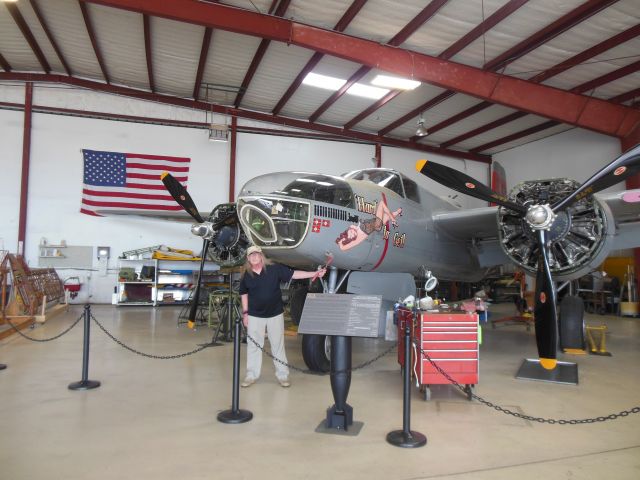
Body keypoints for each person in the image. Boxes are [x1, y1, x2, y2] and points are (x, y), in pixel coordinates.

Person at [239, 245, 326, 388]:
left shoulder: (274, 269)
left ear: (261, 256)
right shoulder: (246, 275)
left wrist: (313, 274)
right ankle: (251, 375)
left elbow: (293, 274)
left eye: (256, 254)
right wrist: (246, 313)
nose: (254, 257)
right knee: (253, 346)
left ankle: (283, 375)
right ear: (248, 259)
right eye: (251, 255)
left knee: (277, 345)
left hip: (275, 314)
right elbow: (244, 294)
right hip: (255, 315)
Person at [335, 198, 402, 251]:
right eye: (351, 236)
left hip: (375, 223)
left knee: (387, 217)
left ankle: (397, 213)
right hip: (376, 224)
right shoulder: (357, 239)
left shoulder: (354, 229)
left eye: (350, 233)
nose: (352, 233)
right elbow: (343, 248)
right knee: (381, 204)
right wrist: (341, 243)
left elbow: (351, 227)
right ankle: (393, 218)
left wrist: (341, 239)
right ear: (351, 239)